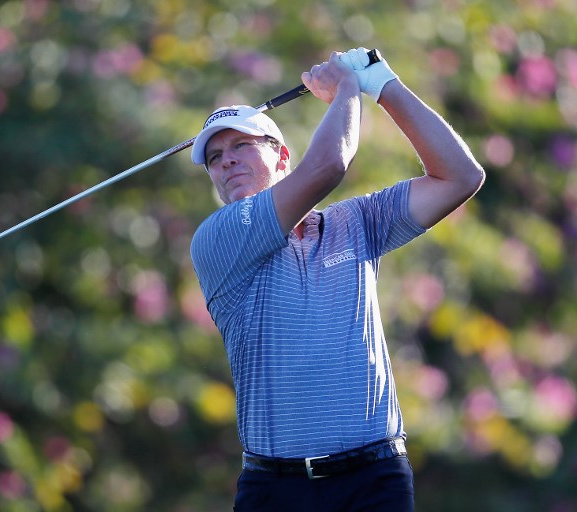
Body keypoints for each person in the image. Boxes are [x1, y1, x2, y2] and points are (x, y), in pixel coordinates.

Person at [188, 47, 485, 511]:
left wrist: (384, 85)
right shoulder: (219, 240)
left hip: (373, 479)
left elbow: (460, 176)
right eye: (214, 157)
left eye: (241, 144)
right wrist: (348, 86)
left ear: (282, 156)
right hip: (276, 489)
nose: (225, 161)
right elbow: (328, 166)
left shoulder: (356, 222)